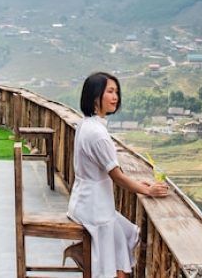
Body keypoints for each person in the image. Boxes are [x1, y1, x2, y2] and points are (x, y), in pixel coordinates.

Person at [65, 71, 169, 277]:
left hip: (87, 202)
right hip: (95, 209)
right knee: (115, 254)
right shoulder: (98, 134)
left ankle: (88, 258)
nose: (116, 97)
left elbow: (106, 170)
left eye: (117, 92)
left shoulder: (86, 125)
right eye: (110, 91)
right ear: (96, 97)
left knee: (123, 237)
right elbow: (117, 176)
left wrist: (140, 184)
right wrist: (148, 191)